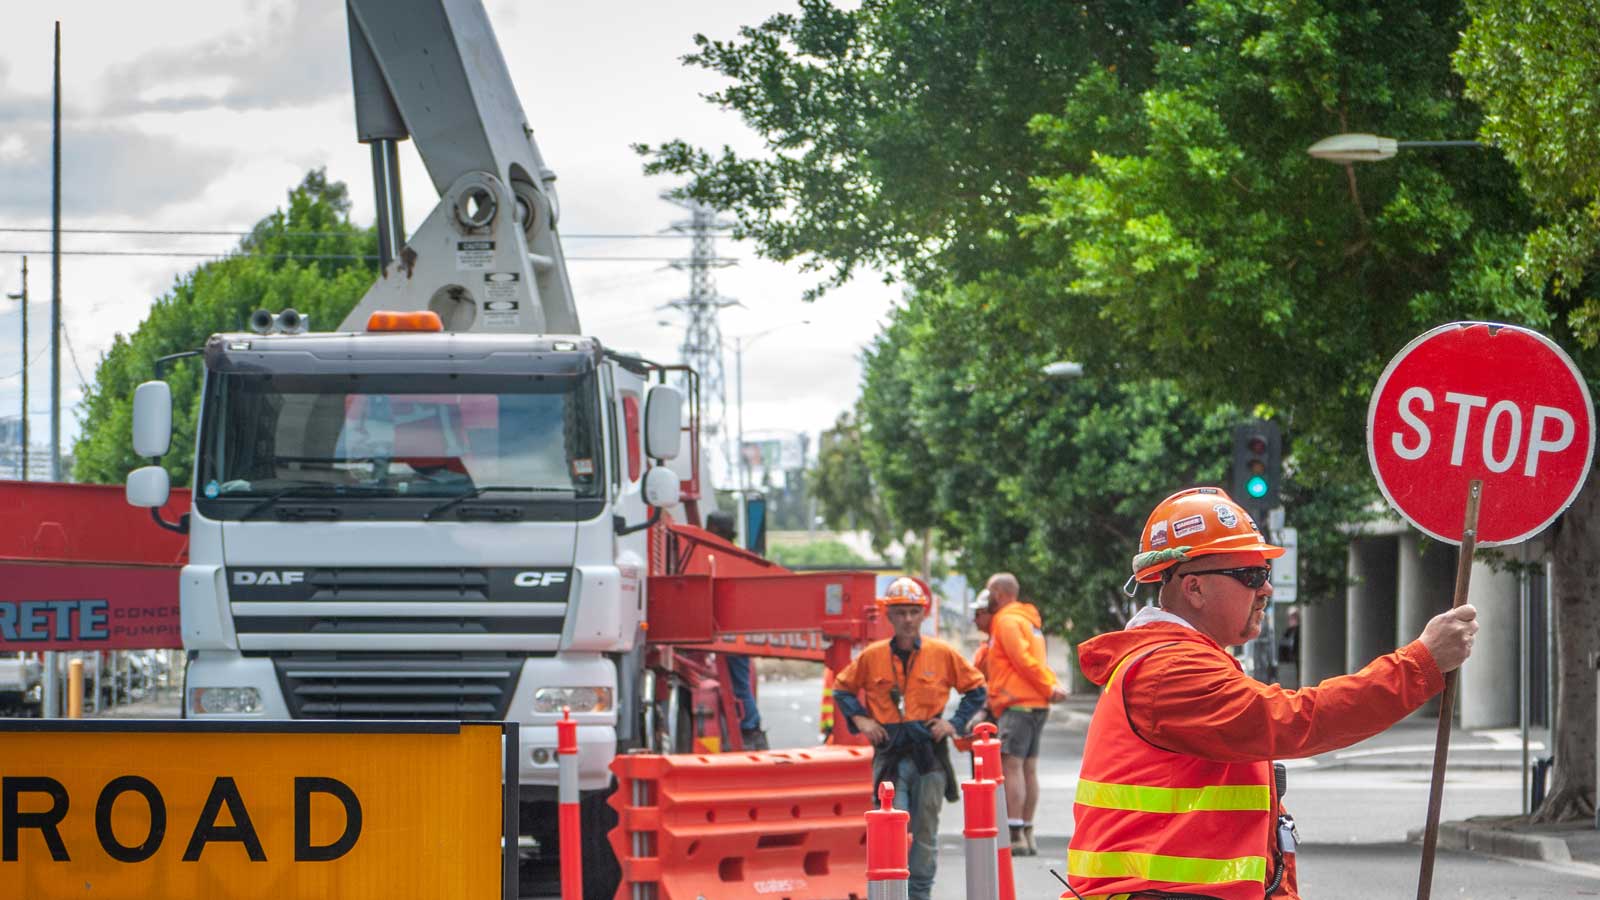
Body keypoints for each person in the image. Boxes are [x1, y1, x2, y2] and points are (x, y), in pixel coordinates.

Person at [1064, 487, 1478, 900]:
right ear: (1193, 589)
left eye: (1265, 573)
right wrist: (1420, 664)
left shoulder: (1180, 662)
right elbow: (1298, 720)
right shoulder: (1169, 671)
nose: (1266, 590)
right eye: (1250, 576)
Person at [834, 577, 987, 900]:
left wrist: (953, 723)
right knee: (892, 830)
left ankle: (919, 896)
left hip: (927, 756)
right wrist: (861, 718)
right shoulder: (872, 657)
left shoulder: (941, 653)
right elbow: (841, 687)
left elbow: (976, 689)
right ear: (889, 616)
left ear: (923, 615)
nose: (907, 619)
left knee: (925, 835)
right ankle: (892, 893)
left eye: (913, 612)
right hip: (889, 756)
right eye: (900, 612)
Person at [984, 572, 1068, 857]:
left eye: (988, 592)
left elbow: (1023, 661)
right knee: (1029, 768)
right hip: (1036, 704)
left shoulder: (1007, 620)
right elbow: (1037, 662)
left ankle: (1015, 833)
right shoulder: (1028, 622)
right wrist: (1050, 688)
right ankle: (1027, 831)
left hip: (1016, 702)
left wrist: (1049, 686)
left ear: (998, 592)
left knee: (1013, 768)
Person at [704, 509, 768, 750]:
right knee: (738, 680)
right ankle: (749, 728)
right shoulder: (734, 557)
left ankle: (751, 727)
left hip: (730, 631)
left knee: (739, 682)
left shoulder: (717, 557)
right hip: (732, 629)